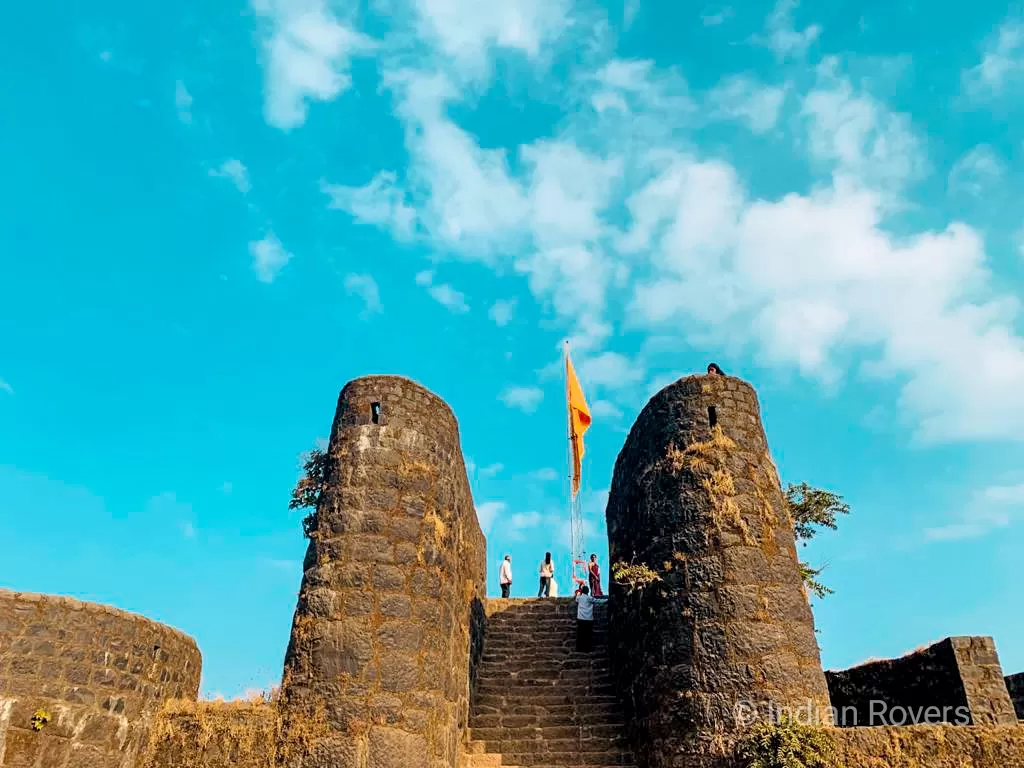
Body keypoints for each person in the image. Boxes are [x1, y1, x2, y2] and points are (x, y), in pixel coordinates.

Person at [575, 585, 605, 652]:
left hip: (580, 618)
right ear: (588, 591)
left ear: (582, 591)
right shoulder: (589, 598)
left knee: (580, 634)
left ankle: (579, 648)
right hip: (588, 619)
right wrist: (606, 600)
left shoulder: (579, 598)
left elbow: (576, 598)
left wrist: (579, 592)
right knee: (588, 635)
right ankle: (587, 648)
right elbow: (598, 601)